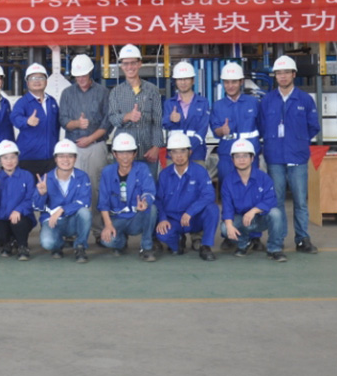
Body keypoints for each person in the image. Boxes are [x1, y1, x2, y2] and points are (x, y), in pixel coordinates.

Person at [259, 55, 321, 255]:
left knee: (300, 201)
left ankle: (302, 239)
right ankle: (277, 239)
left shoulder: (305, 100)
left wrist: (298, 141)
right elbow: (261, 126)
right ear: (275, 76)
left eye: (286, 72)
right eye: (279, 73)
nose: (283, 76)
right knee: (276, 201)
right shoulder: (267, 101)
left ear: (294, 74)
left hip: (298, 157)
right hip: (274, 157)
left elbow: (313, 127)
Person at [210, 61, 263, 251]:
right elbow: (215, 129)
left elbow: (262, 126)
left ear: (241, 82)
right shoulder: (218, 106)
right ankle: (229, 234)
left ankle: (255, 236)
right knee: (228, 195)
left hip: (250, 156)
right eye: (227, 82)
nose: (230, 85)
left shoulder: (253, 103)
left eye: (234, 81)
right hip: (227, 156)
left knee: (253, 194)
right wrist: (221, 130)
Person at [59, 53, 111, 242]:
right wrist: (77, 124)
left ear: (90, 73)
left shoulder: (103, 92)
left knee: (96, 189)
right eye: (77, 76)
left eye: (84, 75)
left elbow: (107, 122)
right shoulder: (67, 93)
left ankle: (98, 231)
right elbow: (63, 120)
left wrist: (90, 138)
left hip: (96, 146)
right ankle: (73, 232)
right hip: (73, 150)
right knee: (73, 189)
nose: (81, 79)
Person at [155, 132, 219, 261]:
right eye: (175, 152)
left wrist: (191, 211)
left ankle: (205, 245)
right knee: (162, 235)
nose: (179, 156)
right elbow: (158, 200)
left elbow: (209, 195)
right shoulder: (164, 175)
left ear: (190, 152)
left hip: (194, 218)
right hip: (173, 219)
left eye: (183, 151)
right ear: (169, 154)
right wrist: (162, 219)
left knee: (212, 209)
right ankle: (178, 241)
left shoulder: (199, 171)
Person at [220, 139, 285, 261]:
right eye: (237, 156)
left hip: (260, 219)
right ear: (232, 160)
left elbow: (271, 200)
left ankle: (274, 249)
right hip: (241, 220)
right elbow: (227, 207)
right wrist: (229, 226)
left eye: (245, 156)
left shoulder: (263, 178)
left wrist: (254, 211)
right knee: (224, 227)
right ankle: (244, 243)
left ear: (252, 158)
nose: (242, 160)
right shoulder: (228, 181)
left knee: (276, 213)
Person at [97, 133, 158, 262]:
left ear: (134, 154)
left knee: (151, 209)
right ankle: (121, 242)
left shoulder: (142, 168)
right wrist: (108, 225)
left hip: (136, 217)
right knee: (107, 241)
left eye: (129, 152)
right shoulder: (107, 172)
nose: (125, 157)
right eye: (121, 153)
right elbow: (103, 202)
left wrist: (145, 202)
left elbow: (149, 191)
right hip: (117, 219)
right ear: (114, 154)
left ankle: (146, 247)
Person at [108, 44, 164, 181]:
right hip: (124, 153)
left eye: (133, 63)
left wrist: (156, 147)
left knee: (148, 187)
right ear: (121, 66)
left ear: (140, 64)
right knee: (124, 187)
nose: (130, 67)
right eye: (126, 63)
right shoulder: (116, 92)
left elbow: (158, 121)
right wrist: (127, 116)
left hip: (148, 151)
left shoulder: (152, 90)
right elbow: (113, 118)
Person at [33, 139, 92, 263]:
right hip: (53, 221)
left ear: (75, 158)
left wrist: (62, 209)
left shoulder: (82, 176)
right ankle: (59, 244)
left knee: (85, 213)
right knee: (48, 243)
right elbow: (37, 207)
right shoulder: (46, 178)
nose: (66, 160)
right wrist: (41, 194)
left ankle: (80, 246)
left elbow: (85, 201)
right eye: (61, 156)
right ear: (55, 159)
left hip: (73, 220)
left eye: (70, 156)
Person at [0, 140, 36, 261]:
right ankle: (9, 242)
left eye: (12, 157)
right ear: (0, 160)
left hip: (21, 217)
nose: (9, 161)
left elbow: (31, 199)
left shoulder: (27, 176)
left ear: (18, 158)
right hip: (1, 217)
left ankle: (22, 245)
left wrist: (19, 210)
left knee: (18, 223)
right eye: (5, 158)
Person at [11, 63, 60, 177]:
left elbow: (57, 126)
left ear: (46, 81)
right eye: (33, 78)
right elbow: (14, 118)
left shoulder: (52, 101)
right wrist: (26, 121)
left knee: (48, 187)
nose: (37, 81)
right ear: (27, 83)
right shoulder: (22, 102)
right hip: (29, 158)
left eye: (40, 77)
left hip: (50, 158)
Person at [162, 61, 209, 165]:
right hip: (174, 154)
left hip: (196, 153)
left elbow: (203, 129)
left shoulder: (203, 102)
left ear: (193, 80)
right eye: (180, 79)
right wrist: (171, 119)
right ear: (175, 81)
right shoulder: (169, 103)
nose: (183, 82)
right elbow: (164, 124)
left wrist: (188, 149)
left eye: (186, 79)